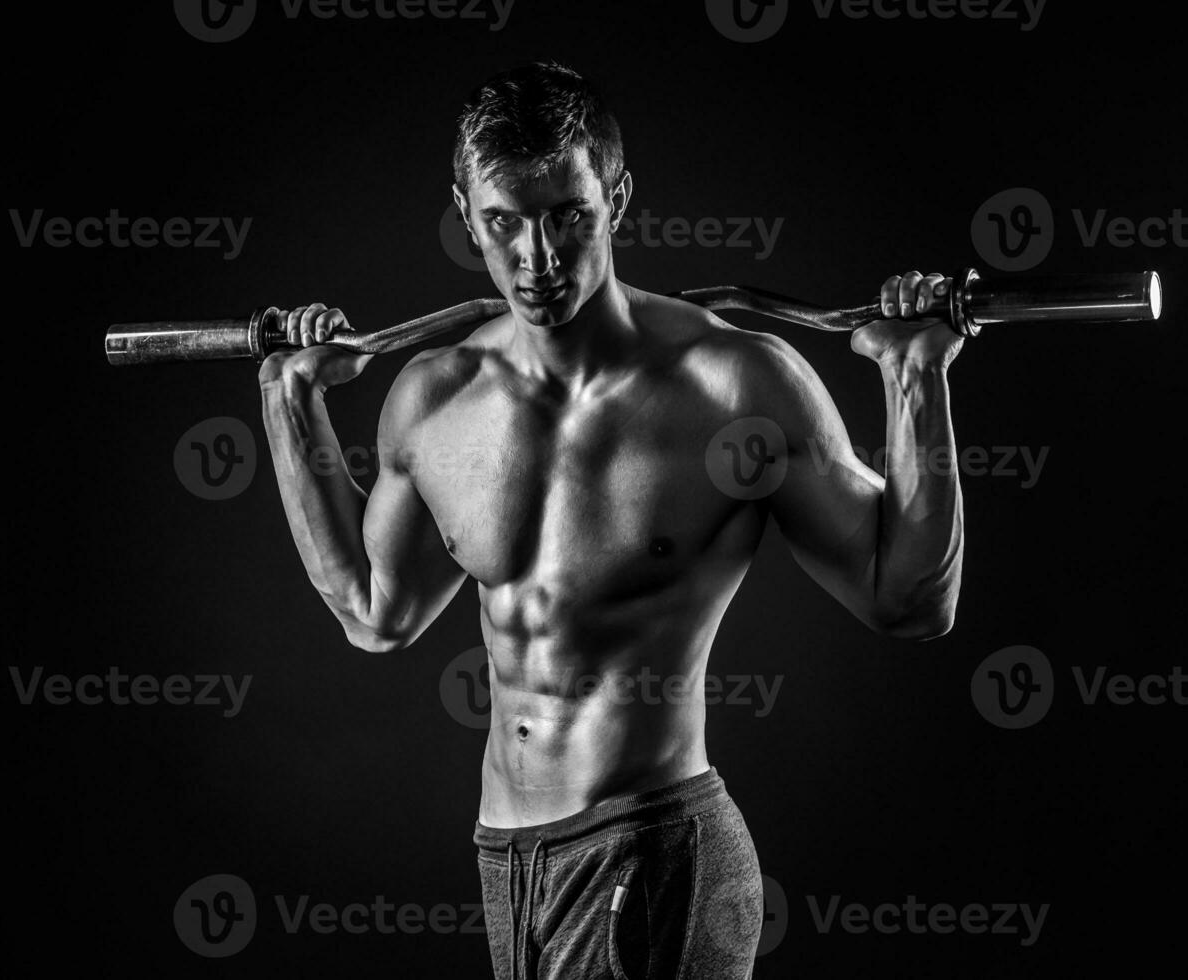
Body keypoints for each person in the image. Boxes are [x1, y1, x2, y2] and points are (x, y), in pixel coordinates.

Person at [257, 60, 964, 980]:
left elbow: (907, 599)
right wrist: (288, 399)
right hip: (509, 863)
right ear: (466, 215)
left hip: (652, 847)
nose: (536, 260)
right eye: (504, 223)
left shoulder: (733, 384)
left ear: (617, 198)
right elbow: (373, 612)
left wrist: (917, 378)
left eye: (567, 217)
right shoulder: (433, 399)